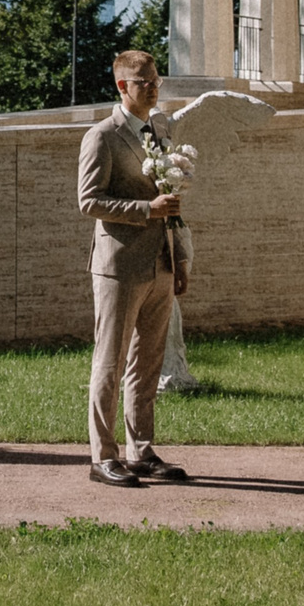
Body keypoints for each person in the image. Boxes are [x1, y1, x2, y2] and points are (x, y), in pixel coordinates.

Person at [76, 49, 188, 488]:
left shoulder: (159, 131)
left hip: (159, 262)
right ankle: (103, 456)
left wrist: (179, 258)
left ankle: (141, 451)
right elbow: (89, 201)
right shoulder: (102, 136)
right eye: (145, 82)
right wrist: (147, 208)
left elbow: (172, 203)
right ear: (123, 86)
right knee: (111, 362)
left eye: (157, 79)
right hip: (118, 267)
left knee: (147, 363)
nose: (155, 87)